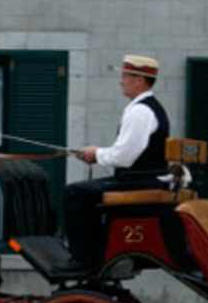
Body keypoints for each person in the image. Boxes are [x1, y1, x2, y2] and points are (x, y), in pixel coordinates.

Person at [63, 54, 170, 269]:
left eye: (125, 76)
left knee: (74, 193)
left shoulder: (141, 111)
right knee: (85, 192)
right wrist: (98, 153)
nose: (121, 81)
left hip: (140, 181)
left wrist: (96, 154)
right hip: (142, 178)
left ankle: (85, 259)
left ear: (139, 80)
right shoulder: (146, 108)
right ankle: (95, 252)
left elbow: (125, 157)